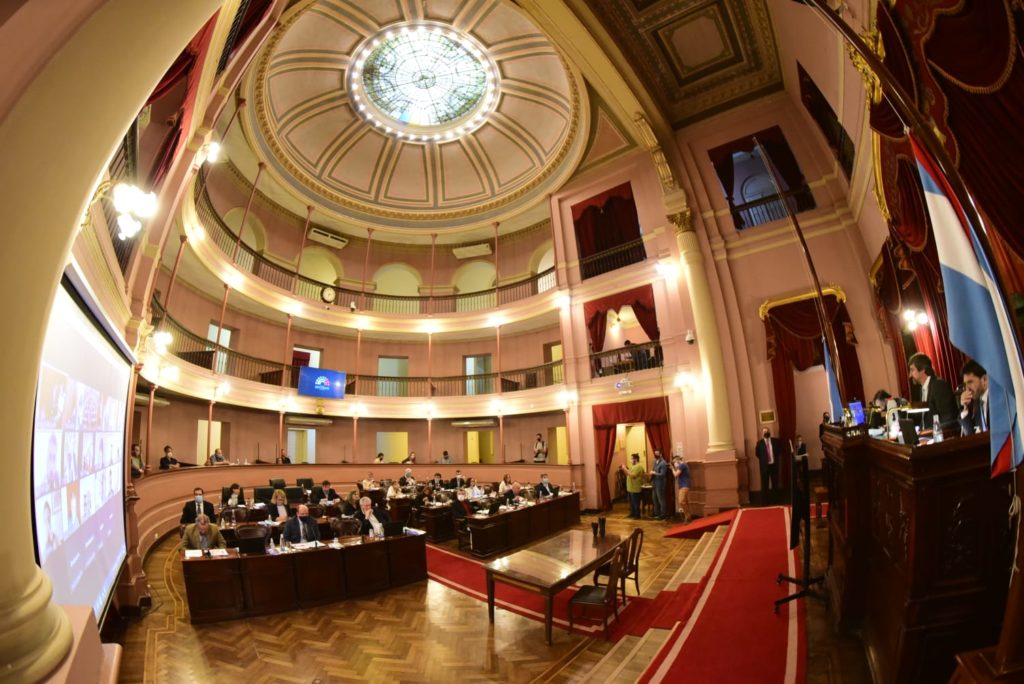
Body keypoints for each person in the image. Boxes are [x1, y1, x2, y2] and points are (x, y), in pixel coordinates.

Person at [908, 352, 960, 430]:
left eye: (912, 370)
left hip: (940, 434)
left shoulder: (939, 385)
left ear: (922, 369)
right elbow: (925, 419)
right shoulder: (922, 389)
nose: (910, 375)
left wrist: (933, 431)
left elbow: (948, 417)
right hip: (927, 434)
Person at [960, 359, 989, 433]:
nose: (967, 388)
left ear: (984, 380)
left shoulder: (997, 398)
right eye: (965, 384)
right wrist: (965, 408)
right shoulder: (977, 402)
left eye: (970, 382)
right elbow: (971, 434)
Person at [755, 428, 781, 501]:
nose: (766, 432)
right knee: (765, 485)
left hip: (774, 466)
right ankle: (765, 501)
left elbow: (779, 452)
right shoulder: (759, 443)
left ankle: (776, 500)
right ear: (762, 433)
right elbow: (757, 454)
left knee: (775, 484)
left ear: (769, 432)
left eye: (767, 431)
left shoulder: (776, 441)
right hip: (764, 467)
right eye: (764, 431)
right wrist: (764, 460)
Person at [620, 453, 644, 519]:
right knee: (631, 503)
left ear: (635, 459)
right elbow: (628, 474)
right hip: (630, 488)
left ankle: (637, 515)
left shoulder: (639, 466)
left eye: (631, 459)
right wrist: (624, 469)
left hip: (635, 488)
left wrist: (625, 468)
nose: (630, 460)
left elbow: (633, 476)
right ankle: (632, 513)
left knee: (636, 503)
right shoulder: (632, 466)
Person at [671, 455, 691, 522]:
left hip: (684, 485)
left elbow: (675, 475)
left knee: (681, 501)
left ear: (678, 460)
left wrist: (672, 469)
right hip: (684, 485)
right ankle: (688, 516)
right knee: (685, 501)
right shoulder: (683, 465)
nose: (674, 464)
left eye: (674, 462)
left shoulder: (682, 465)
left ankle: (687, 516)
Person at [650, 450, 668, 519]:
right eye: (655, 454)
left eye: (657, 454)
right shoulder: (655, 461)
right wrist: (652, 472)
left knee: (661, 499)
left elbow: (663, 474)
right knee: (654, 499)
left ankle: (663, 514)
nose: (655, 455)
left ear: (660, 454)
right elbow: (653, 470)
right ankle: (656, 513)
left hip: (660, 483)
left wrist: (654, 473)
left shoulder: (663, 463)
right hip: (654, 483)